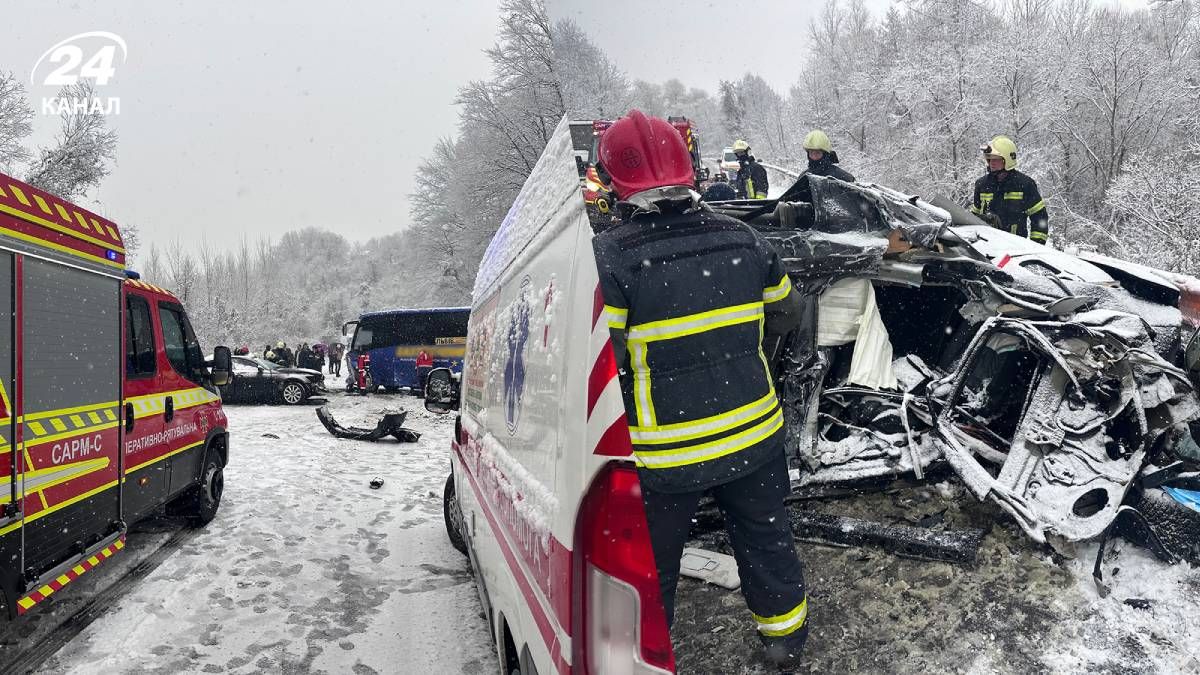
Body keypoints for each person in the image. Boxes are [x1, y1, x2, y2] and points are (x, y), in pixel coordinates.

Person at [593, 110, 810, 668]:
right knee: (767, 544)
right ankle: (784, 644)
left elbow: (601, 357)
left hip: (667, 453)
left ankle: (643, 658)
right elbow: (787, 314)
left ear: (615, 181)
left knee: (652, 568)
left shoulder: (611, 260)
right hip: (754, 434)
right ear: (688, 170)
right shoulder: (745, 239)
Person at [970, 135, 1049, 244]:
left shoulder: (1025, 185)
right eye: (989, 158)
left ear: (1007, 160)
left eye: (996, 159)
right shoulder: (981, 184)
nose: (991, 163)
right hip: (986, 247)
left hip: (1015, 248)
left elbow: (1040, 218)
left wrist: (1036, 246)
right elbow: (973, 217)